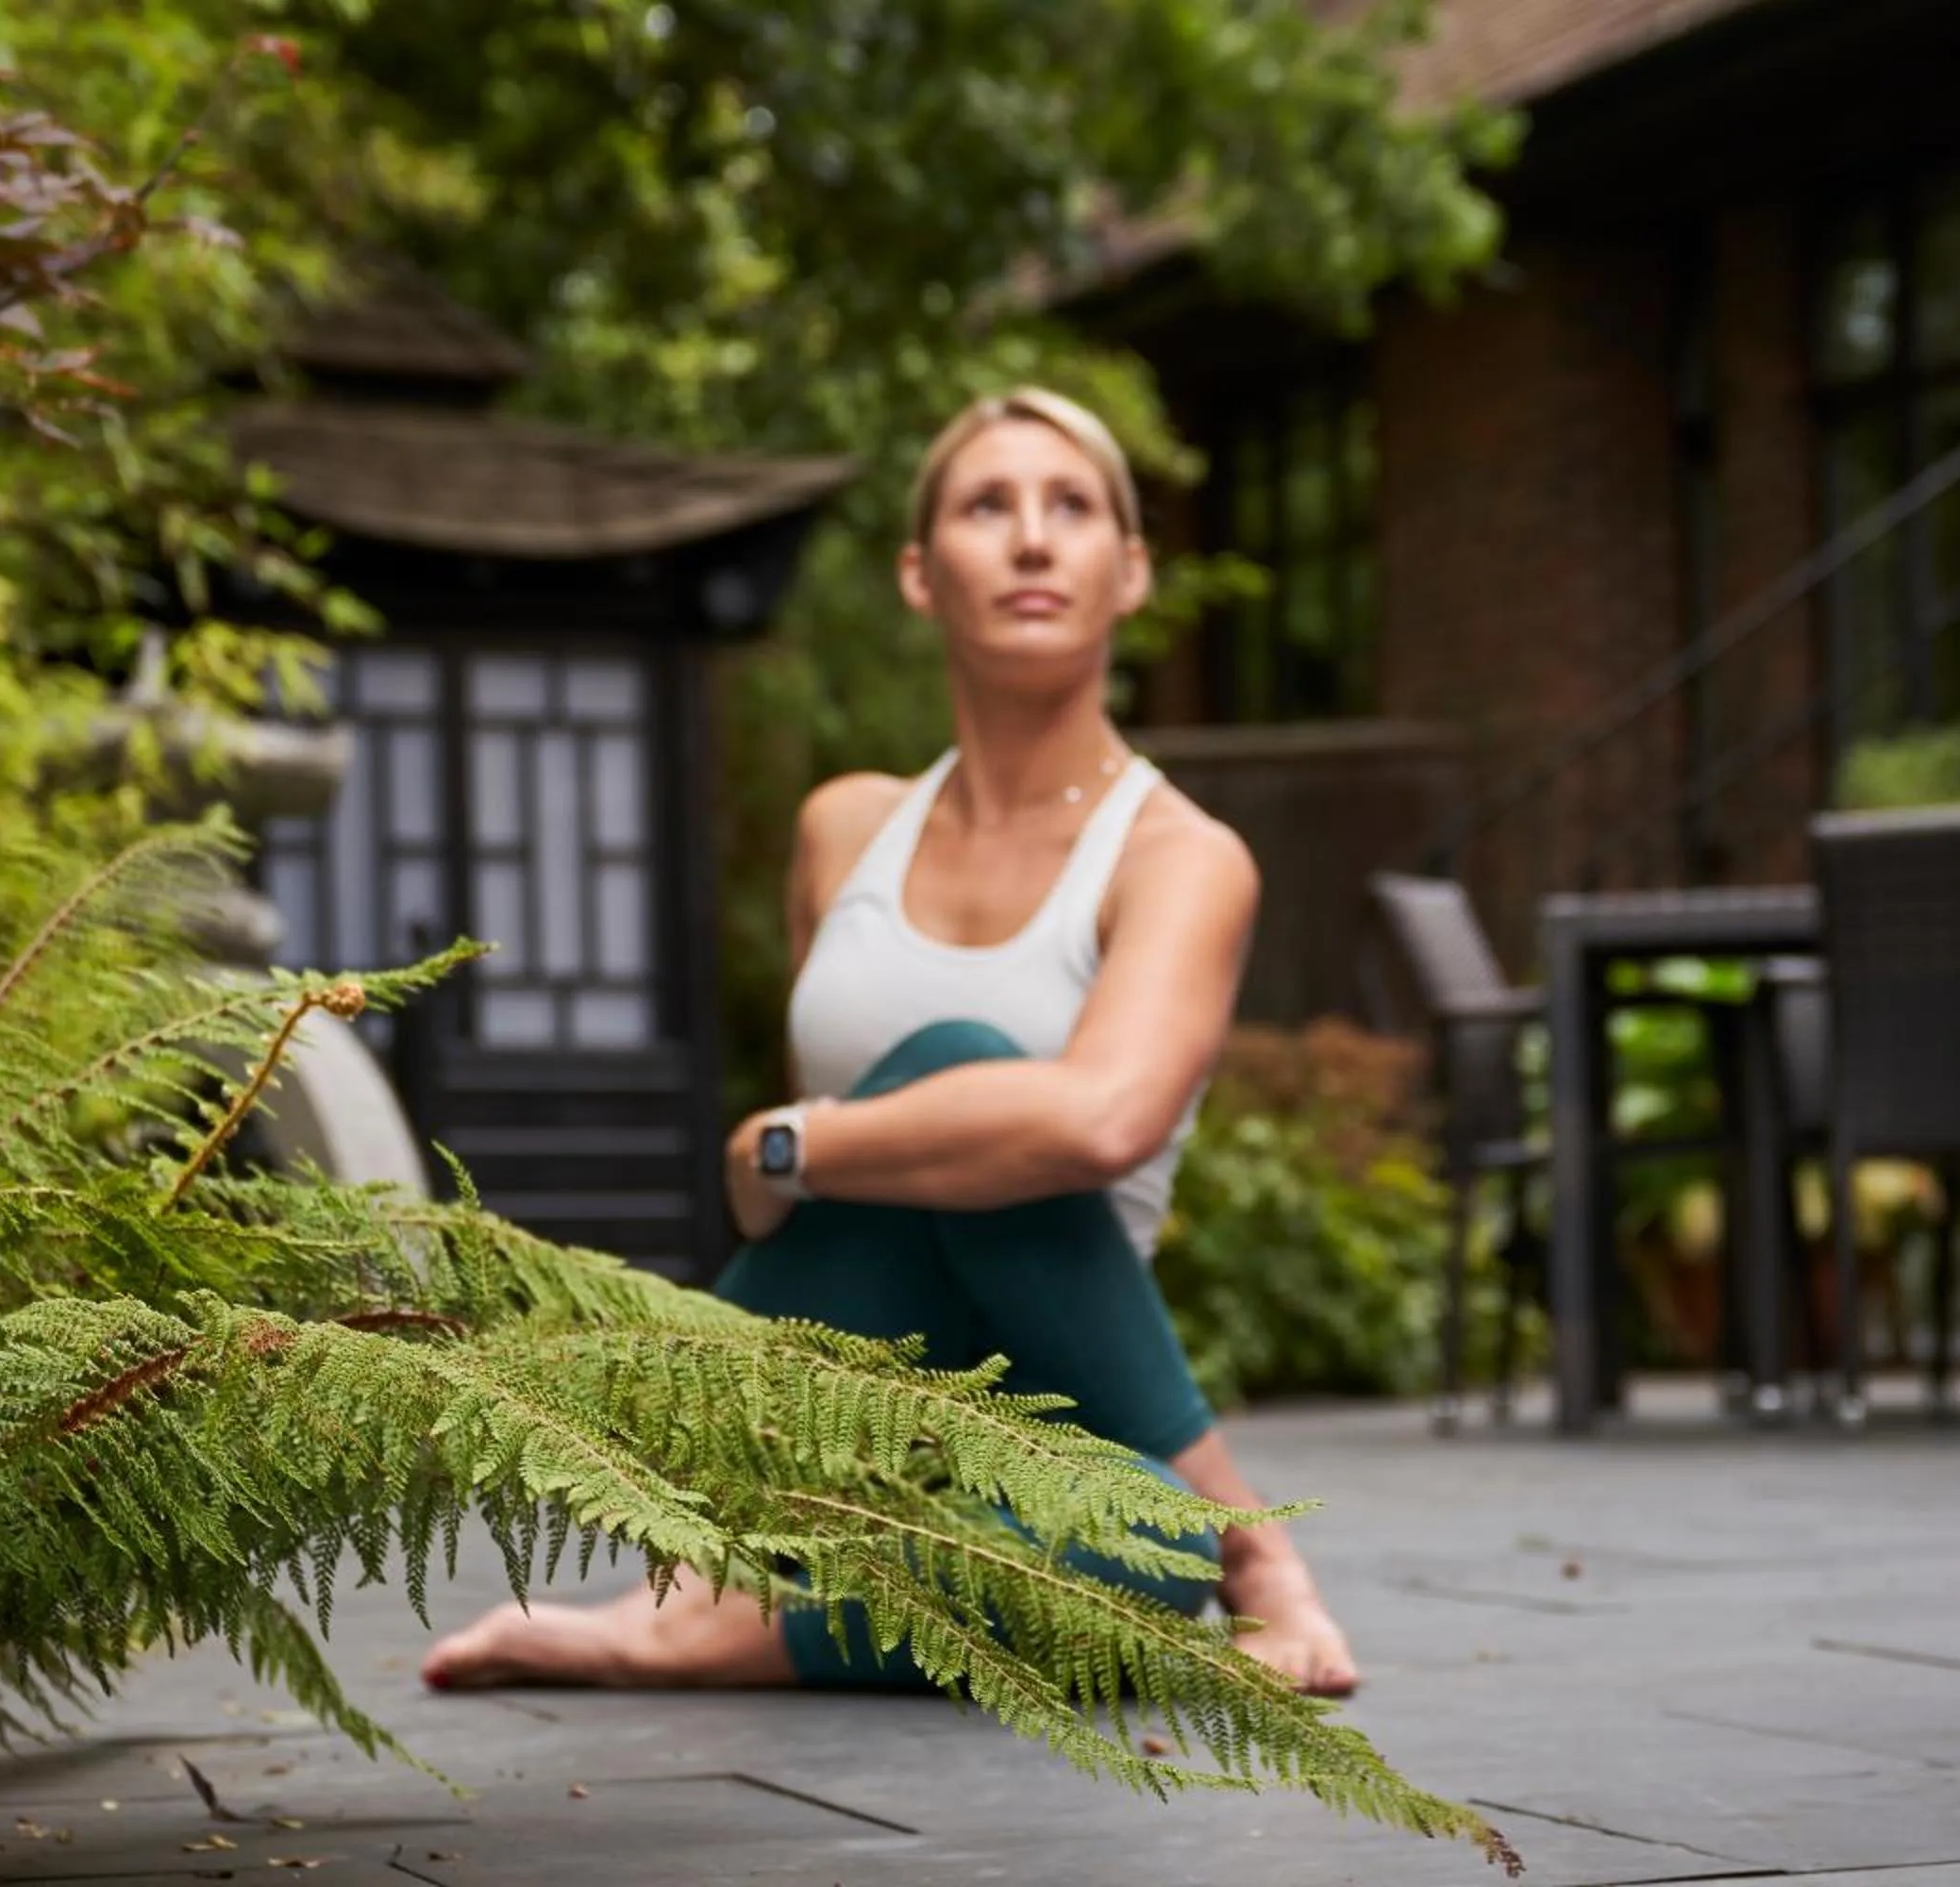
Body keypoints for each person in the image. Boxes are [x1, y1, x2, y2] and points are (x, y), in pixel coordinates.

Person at [420, 387, 1359, 1699]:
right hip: (825, 1411)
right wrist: (836, 1150)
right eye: (988, 505)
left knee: (1150, 1538)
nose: (1031, 538)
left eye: (1072, 506)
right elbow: (860, 1206)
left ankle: (716, 1624)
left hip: (1056, 1416)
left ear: (1132, 570)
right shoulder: (846, 831)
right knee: (949, 1088)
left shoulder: (1180, 858)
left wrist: (789, 1144)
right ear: (921, 574)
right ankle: (732, 1573)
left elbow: (1099, 1122)